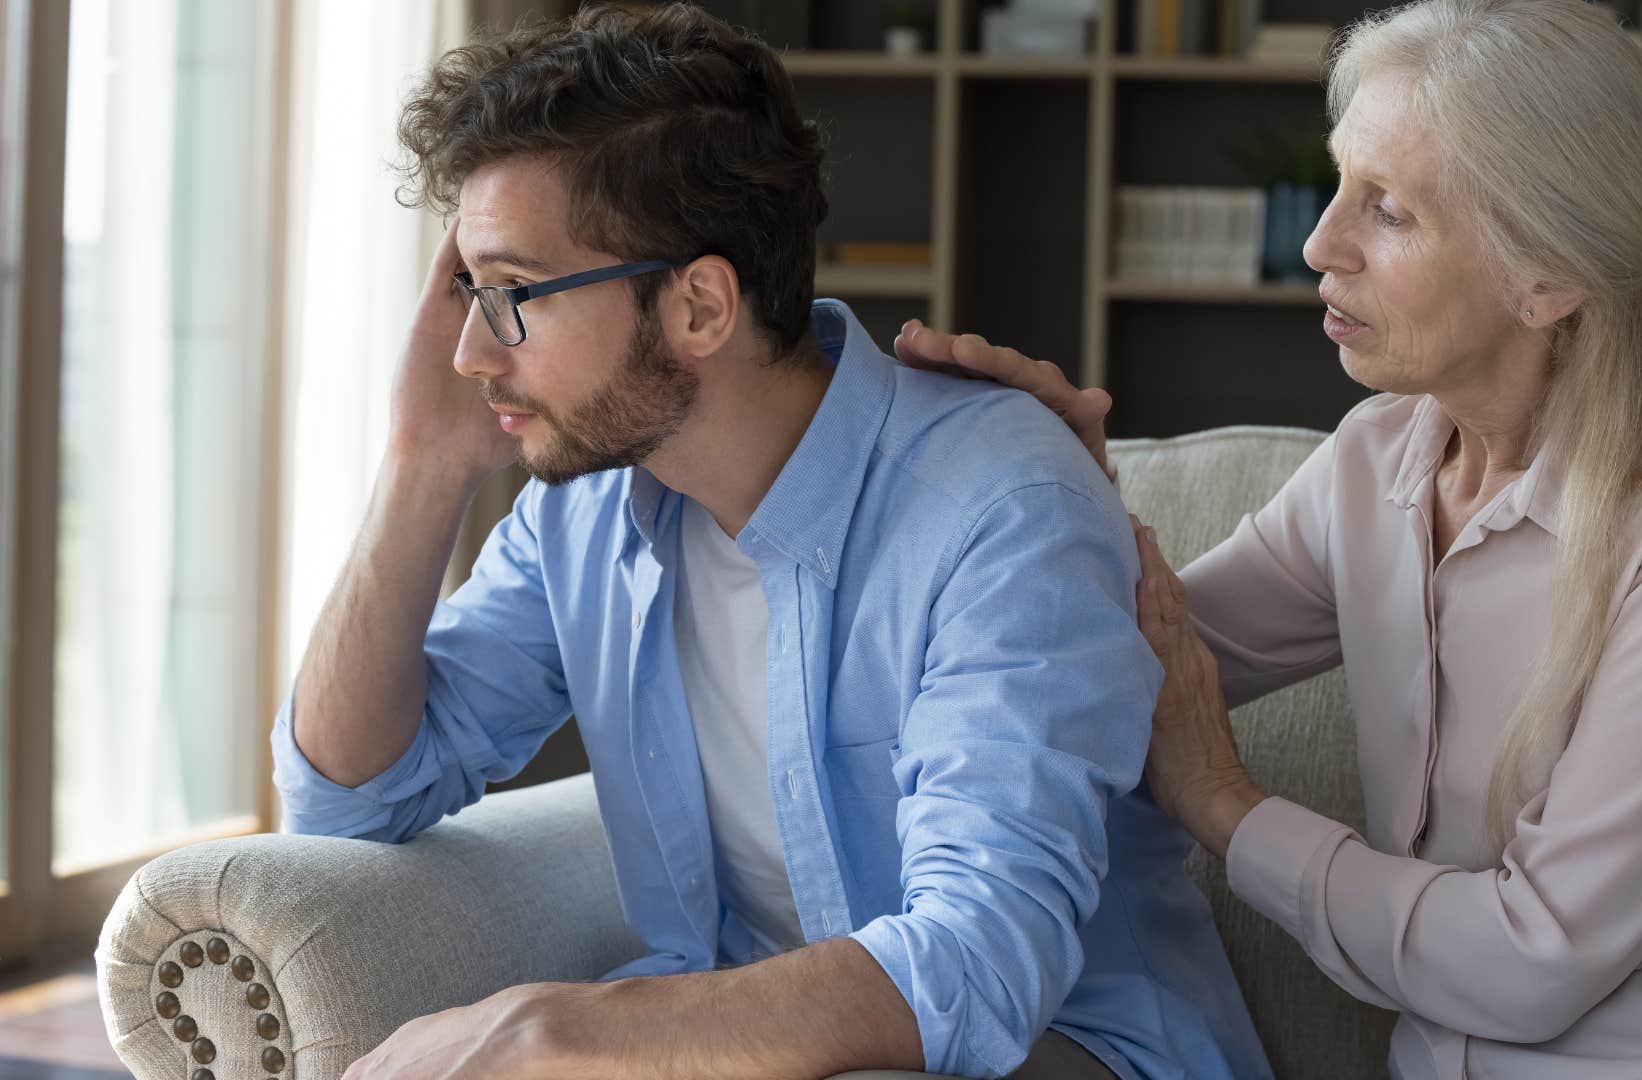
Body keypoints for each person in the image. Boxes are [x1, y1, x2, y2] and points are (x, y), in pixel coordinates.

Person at [894, 1, 1642, 1076]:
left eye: (1390, 211)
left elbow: (1536, 957)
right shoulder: (1376, 463)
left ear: (1546, 278)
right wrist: (1060, 482)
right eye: (1339, 186)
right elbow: (1115, 664)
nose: (1320, 243)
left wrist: (1228, 808)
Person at [269, 6, 1270, 1079]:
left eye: (514, 295)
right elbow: (349, 795)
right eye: (470, 292)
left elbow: (976, 969)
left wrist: (543, 1032)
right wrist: (421, 463)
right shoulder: (589, 511)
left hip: (1053, 1050)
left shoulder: (1001, 507)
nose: (472, 350)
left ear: (701, 305)